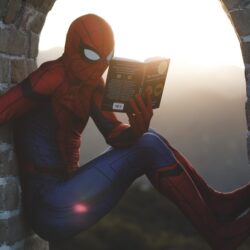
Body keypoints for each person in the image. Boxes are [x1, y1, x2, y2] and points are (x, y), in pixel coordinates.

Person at [0, 14, 250, 250]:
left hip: (70, 193)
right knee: (148, 146)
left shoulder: (92, 84)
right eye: (91, 54)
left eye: (107, 57)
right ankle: (218, 235)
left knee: (149, 137)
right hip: (49, 206)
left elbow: (114, 133)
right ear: (73, 47)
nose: (100, 65)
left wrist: (136, 128)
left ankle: (217, 204)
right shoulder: (51, 76)